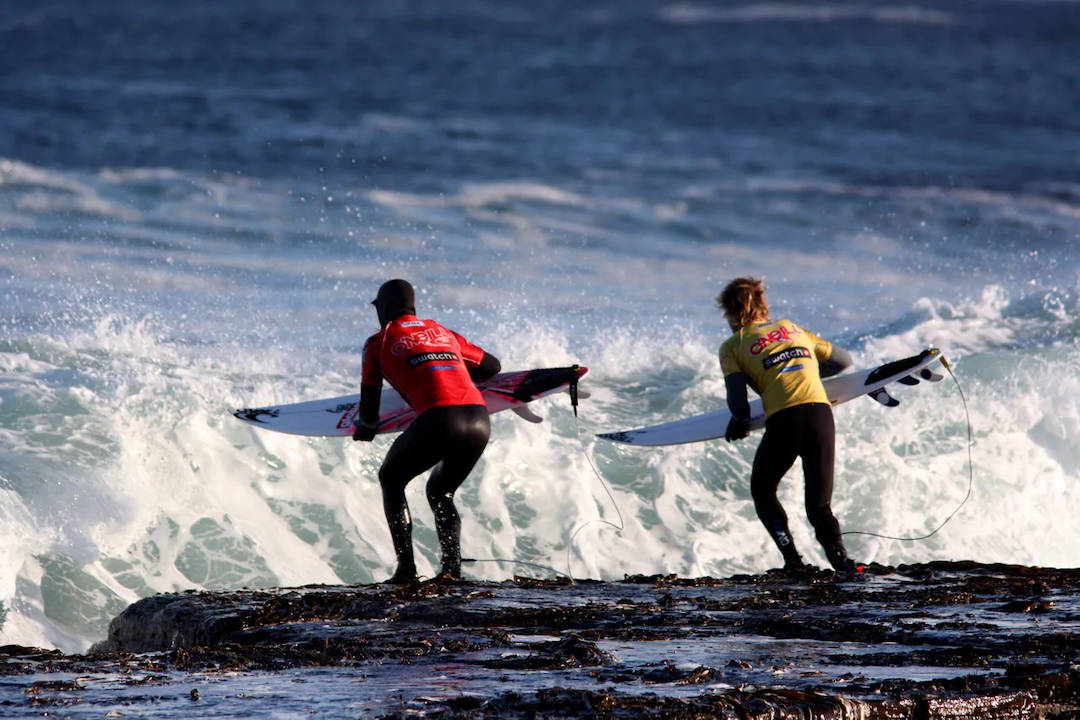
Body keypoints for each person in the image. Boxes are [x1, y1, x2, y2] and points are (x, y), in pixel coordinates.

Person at [353, 279, 501, 584]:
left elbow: (369, 409)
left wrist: (365, 430)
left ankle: (406, 571)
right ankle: (451, 571)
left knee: (391, 479)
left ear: (382, 308)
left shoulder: (377, 343)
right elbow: (492, 367)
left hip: (440, 419)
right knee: (441, 491)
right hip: (479, 418)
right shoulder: (442, 332)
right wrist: (444, 363)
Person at [717, 277, 858, 573]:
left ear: (730, 313)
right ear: (762, 303)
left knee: (763, 490)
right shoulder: (792, 328)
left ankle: (793, 560)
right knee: (819, 506)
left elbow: (738, 403)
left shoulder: (733, 346)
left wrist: (740, 422)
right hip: (821, 415)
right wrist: (806, 373)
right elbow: (844, 362)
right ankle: (843, 564)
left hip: (785, 421)